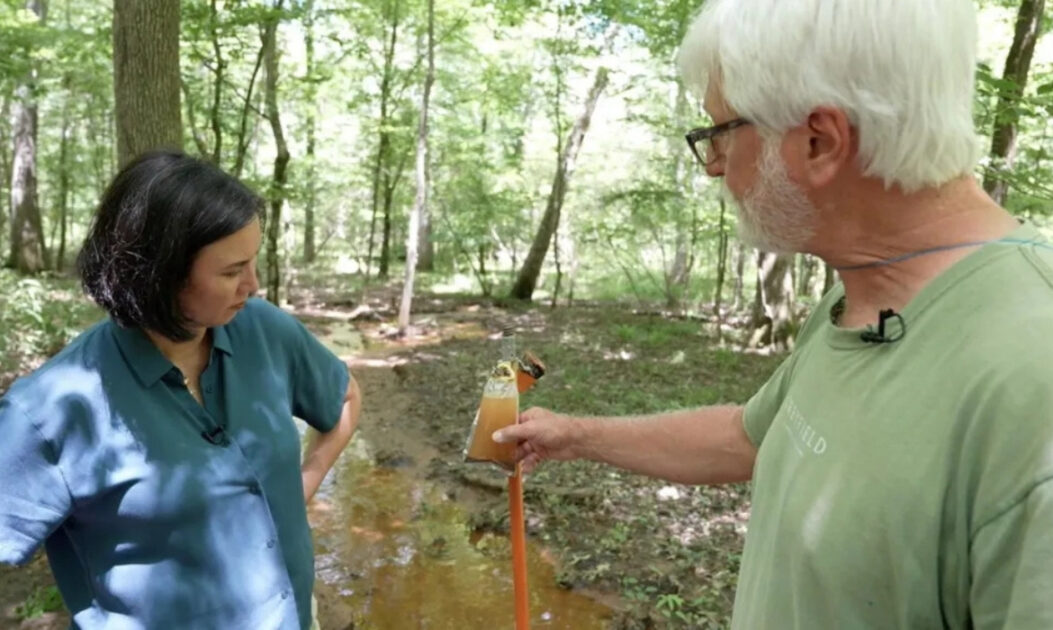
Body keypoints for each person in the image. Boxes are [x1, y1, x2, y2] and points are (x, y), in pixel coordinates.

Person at [495, 1, 1053, 627]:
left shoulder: (1032, 384)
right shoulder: (858, 299)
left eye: (719, 134)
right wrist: (574, 435)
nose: (710, 166)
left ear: (819, 142)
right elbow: (753, 437)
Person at [0, 151, 362, 629]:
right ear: (159, 274)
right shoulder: (50, 409)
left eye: (252, 263)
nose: (252, 285)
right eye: (232, 271)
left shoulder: (265, 332)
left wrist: (305, 481)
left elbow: (344, 397)